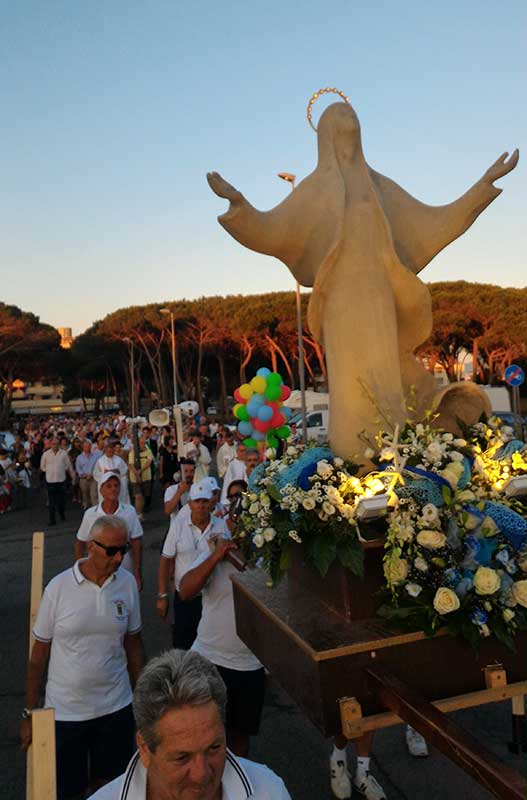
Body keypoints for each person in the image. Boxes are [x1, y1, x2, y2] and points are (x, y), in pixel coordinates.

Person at [20, 516, 145, 800]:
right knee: (69, 791)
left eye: (123, 550)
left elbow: (134, 645)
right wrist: (29, 713)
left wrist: (144, 700)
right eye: (111, 551)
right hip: (67, 713)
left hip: (115, 708)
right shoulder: (58, 588)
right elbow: (38, 656)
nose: (118, 558)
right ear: (91, 546)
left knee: (111, 789)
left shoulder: (126, 584)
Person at [89, 649, 291, 800]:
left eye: (214, 748)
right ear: (144, 748)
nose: (201, 774)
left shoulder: (269, 791)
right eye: (182, 757)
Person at [179, 512, 264, 758]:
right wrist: (216, 556)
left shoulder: (269, 557)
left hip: (250, 664)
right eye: (235, 516)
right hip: (209, 659)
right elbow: (185, 590)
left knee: (239, 741)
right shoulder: (214, 552)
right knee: (203, 739)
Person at [157, 481, 228, 650]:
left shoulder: (221, 526)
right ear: (189, 503)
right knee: (183, 644)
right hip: (185, 597)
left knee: (210, 645)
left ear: (211, 503)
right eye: (197, 501)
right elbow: (165, 559)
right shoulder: (178, 525)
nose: (201, 506)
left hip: (211, 597)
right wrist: (162, 595)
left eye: (205, 501)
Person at [75, 473, 144, 590]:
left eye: (116, 486)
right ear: (101, 490)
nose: (113, 489)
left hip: (124, 570)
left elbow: (136, 542)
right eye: (109, 486)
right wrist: (80, 570)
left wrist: (137, 572)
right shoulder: (90, 514)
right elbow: (80, 542)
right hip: (97, 572)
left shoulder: (129, 512)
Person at [40, 437, 75, 525]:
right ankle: (52, 520)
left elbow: (68, 466)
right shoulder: (46, 454)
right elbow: (42, 467)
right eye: (53, 444)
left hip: (61, 481)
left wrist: (72, 476)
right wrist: (49, 470)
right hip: (50, 481)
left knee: (61, 501)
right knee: (51, 502)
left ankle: (61, 513)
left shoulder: (63, 453)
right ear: (50, 444)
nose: (55, 446)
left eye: (56, 444)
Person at [94, 440, 129, 504]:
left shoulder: (118, 459)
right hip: (106, 485)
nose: (110, 453)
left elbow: (125, 468)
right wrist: (104, 473)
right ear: (105, 451)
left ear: (113, 451)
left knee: (119, 500)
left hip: (117, 484)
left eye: (111, 451)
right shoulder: (100, 461)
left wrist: (119, 471)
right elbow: (95, 473)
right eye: (108, 451)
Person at [128, 431, 153, 519]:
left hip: (146, 477)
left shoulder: (148, 451)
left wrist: (141, 471)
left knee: (144, 496)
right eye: (141, 443)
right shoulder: (132, 452)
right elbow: (131, 465)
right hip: (134, 478)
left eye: (143, 443)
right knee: (138, 496)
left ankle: (140, 512)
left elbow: (149, 462)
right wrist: (137, 475)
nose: (142, 445)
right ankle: (137, 515)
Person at [75, 439, 100, 509]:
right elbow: (78, 468)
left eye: (89, 446)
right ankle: (86, 505)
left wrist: (92, 475)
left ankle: (95, 508)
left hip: (93, 478)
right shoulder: (79, 457)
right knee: (85, 494)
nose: (87, 448)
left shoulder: (96, 456)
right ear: (83, 447)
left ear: (91, 447)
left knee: (94, 494)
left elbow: (98, 467)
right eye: (85, 446)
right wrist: (85, 475)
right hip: (83, 479)